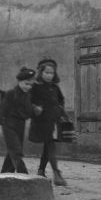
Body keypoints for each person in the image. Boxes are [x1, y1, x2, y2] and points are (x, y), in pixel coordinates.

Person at [29, 58, 68, 186]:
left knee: (48, 146)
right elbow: (28, 101)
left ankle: (41, 170)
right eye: (47, 73)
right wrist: (35, 108)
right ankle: (57, 174)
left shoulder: (55, 88)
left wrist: (61, 112)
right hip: (42, 122)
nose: (49, 75)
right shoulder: (35, 87)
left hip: (54, 121)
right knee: (50, 146)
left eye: (52, 73)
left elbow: (61, 100)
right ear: (41, 73)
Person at [0, 67, 41, 174]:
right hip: (9, 125)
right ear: (19, 82)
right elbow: (2, 110)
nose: (28, 87)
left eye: (31, 85)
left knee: (12, 151)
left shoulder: (27, 96)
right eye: (26, 84)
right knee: (16, 150)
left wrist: (35, 111)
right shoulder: (11, 94)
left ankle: (5, 174)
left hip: (20, 125)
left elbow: (28, 112)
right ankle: (24, 174)